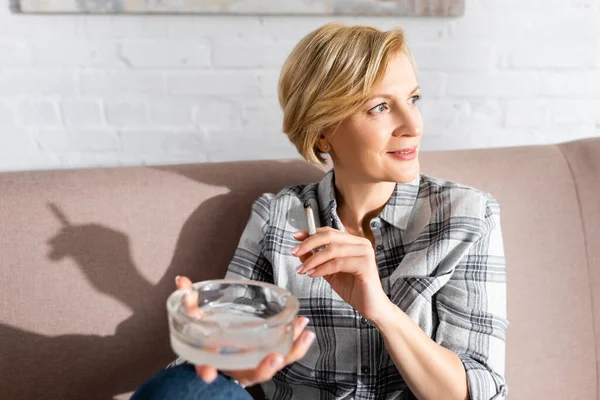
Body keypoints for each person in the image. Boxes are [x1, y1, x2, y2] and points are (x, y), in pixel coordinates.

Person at [131, 22, 508, 400]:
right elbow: (223, 362)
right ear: (323, 131)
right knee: (179, 390)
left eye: (413, 99)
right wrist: (213, 353)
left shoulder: (465, 216)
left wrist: (380, 309)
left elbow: (482, 390)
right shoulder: (277, 218)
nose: (413, 125)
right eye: (380, 107)